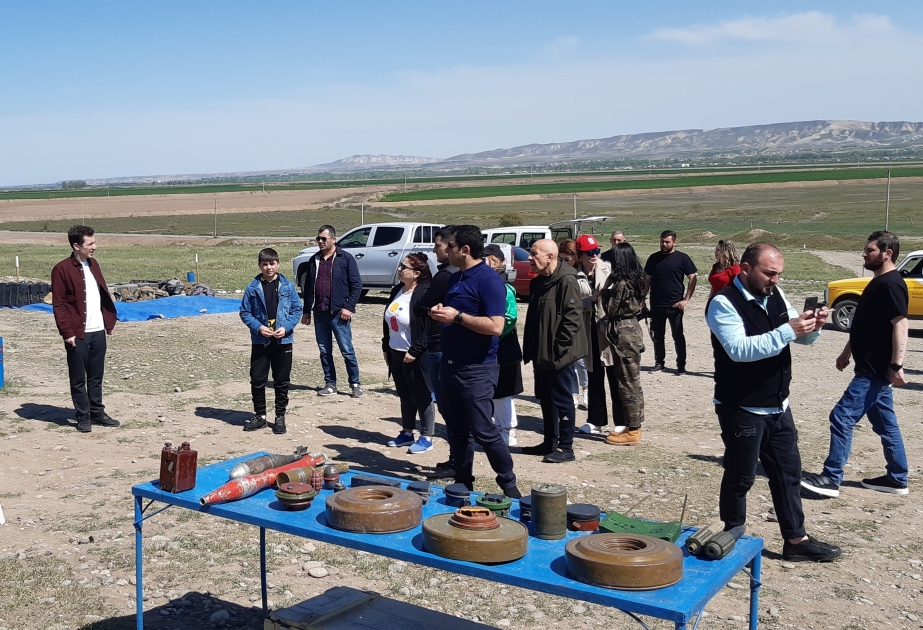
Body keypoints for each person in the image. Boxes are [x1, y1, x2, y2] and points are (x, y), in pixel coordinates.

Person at [706, 242, 841, 562]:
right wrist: (790, 330)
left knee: (788, 473)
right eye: (769, 273)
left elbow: (800, 337)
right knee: (741, 476)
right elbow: (739, 351)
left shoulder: (775, 295)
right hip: (742, 408)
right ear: (746, 267)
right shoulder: (722, 303)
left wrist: (812, 328)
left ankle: (795, 540)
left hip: (778, 405)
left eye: (778, 274)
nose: (775, 280)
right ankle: (732, 533)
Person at [801, 231, 910, 498]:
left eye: (869, 250)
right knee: (886, 424)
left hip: (875, 369)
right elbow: (866, 324)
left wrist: (896, 365)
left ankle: (831, 478)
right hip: (868, 365)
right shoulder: (877, 282)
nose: (864, 254)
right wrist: (846, 351)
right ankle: (897, 478)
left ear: (887, 253)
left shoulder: (891, 284)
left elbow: (900, 323)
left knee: (841, 416)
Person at [429, 225, 522, 498]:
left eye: (452, 246)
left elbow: (495, 326)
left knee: (483, 430)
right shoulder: (458, 277)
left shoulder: (488, 280)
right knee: (457, 430)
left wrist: (456, 317)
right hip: (451, 366)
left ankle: (509, 484)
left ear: (465, 250)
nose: (447, 250)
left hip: (477, 370)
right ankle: (462, 483)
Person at [521, 239, 588, 463]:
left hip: (559, 354)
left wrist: (559, 348)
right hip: (543, 353)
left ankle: (566, 447)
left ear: (550, 256)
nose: (529, 258)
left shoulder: (567, 280)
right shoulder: (540, 281)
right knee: (546, 398)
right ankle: (550, 442)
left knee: (562, 398)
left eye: (533, 254)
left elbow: (572, 318)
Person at [51, 225, 119, 433]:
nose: (94, 247)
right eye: (90, 244)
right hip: (77, 334)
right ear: (76, 245)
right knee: (79, 378)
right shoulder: (61, 269)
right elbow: (59, 304)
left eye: (94, 242)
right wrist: (67, 332)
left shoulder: (94, 264)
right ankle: (83, 416)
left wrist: (109, 321)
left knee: (96, 376)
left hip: (98, 330)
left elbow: (102, 295)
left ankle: (97, 412)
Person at [239, 248, 303, 434]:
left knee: (281, 380)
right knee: (258, 380)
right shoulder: (252, 288)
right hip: (261, 341)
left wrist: (287, 327)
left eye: (272, 263)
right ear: (259, 265)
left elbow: (296, 310)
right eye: (265, 264)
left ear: (278, 264)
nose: (269, 267)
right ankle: (260, 416)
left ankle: (280, 416)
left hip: (283, 341)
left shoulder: (288, 286)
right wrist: (259, 327)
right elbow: (245, 312)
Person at [415, 226, 460, 478]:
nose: (435, 249)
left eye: (439, 245)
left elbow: (423, 305)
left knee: (449, 407)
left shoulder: (446, 276)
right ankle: (456, 459)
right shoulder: (454, 274)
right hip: (441, 344)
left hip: (439, 346)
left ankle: (457, 462)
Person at [381, 253, 436, 454]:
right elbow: (388, 322)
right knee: (404, 394)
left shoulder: (424, 293)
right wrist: (386, 347)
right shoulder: (397, 290)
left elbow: (430, 327)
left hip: (415, 354)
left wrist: (416, 350)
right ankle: (407, 432)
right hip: (396, 351)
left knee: (421, 395)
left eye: (403, 267)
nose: (399, 269)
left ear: (417, 273)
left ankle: (427, 436)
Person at [301, 225, 364, 398]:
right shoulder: (314, 260)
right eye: (318, 239)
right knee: (324, 350)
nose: (320, 242)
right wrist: (307, 311)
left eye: (324, 239)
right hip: (320, 312)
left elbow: (357, 285)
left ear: (333, 239)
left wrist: (349, 307)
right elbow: (308, 288)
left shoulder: (346, 258)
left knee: (347, 350)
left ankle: (355, 383)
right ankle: (330, 384)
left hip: (339, 313)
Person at [600, 242, 647, 445]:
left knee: (627, 382)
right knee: (632, 380)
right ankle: (632, 425)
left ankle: (633, 430)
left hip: (623, 333)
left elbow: (610, 308)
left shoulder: (621, 284)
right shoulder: (637, 280)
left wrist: (604, 289)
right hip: (632, 329)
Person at [574, 234, 620, 436]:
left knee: (615, 375)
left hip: (607, 329)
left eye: (596, 251)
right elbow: (571, 304)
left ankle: (621, 421)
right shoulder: (573, 275)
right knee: (594, 376)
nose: (594, 255)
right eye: (589, 252)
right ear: (580, 254)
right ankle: (595, 420)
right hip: (588, 328)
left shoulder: (608, 268)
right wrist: (589, 302)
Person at [483, 244, 524, 447]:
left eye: (492, 260)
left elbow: (509, 318)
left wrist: (491, 333)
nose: (488, 264)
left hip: (503, 346)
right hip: (489, 346)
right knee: (491, 391)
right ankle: (494, 428)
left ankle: (508, 431)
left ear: (500, 263)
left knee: (503, 392)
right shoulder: (484, 283)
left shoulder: (504, 287)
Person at [644, 230, 697, 374]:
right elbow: (646, 281)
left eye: (667, 242)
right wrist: (642, 301)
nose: (664, 244)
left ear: (674, 242)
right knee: (657, 335)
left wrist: (686, 300)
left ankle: (681, 365)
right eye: (662, 241)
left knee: (678, 335)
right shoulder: (653, 258)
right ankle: (659, 362)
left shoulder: (682, 258)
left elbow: (692, 278)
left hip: (675, 305)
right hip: (656, 304)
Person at [559, 239, 589, 410]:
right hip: (566, 319)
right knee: (568, 360)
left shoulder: (581, 273)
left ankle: (586, 389)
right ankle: (573, 393)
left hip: (583, 318)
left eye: (568, 258)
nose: (565, 262)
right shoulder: (560, 273)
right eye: (561, 258)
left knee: (581, 361)